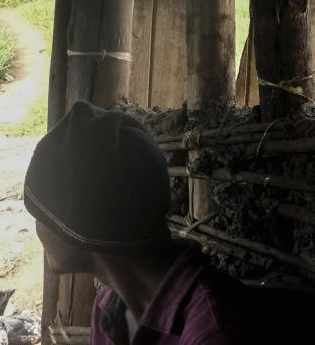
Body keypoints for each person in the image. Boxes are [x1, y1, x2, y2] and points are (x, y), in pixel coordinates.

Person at [24, 101, 252, 345]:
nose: (37, 227)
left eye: (40, 215)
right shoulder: (109, 309)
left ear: (78, 230)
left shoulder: (212, 331)